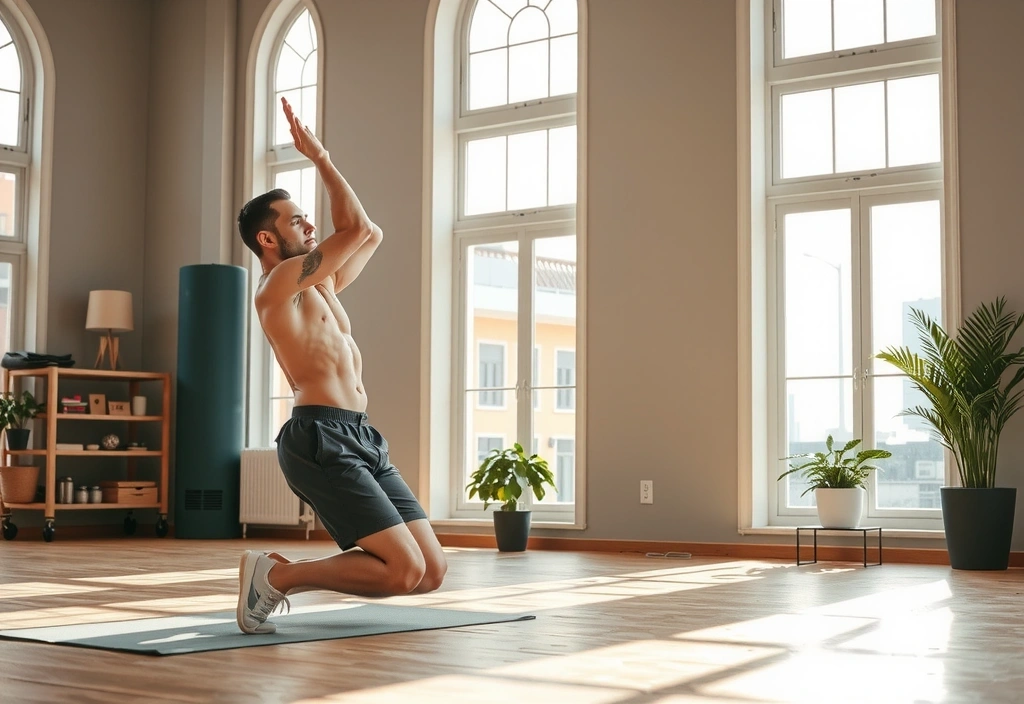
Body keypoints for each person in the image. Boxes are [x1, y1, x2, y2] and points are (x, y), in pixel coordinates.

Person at [233, 97, 447, 634]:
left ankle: (278, 574)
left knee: (430, 572)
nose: (308, 226)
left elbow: (367, 231)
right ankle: (276, 580)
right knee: (403, 570)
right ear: (267, 238)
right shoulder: (278, 287)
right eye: (296, 221)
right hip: (319, 437)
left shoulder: (321, 285)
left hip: (362, 434)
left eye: (307, 218)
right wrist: (321, 158)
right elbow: (350, 231)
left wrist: (323, 161)